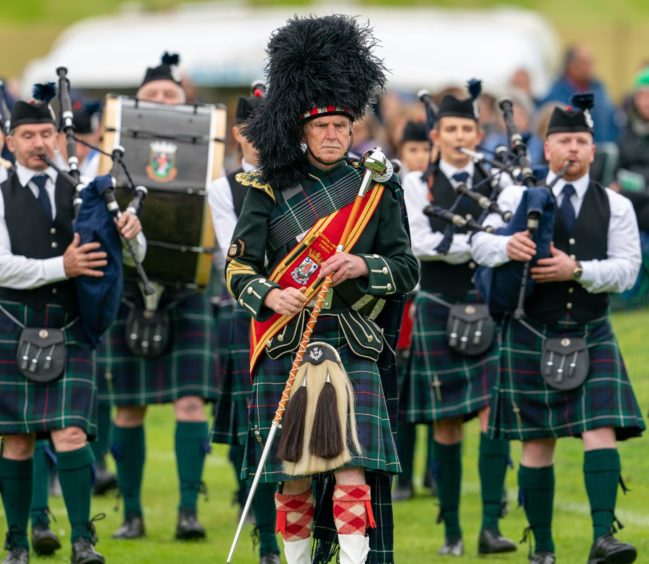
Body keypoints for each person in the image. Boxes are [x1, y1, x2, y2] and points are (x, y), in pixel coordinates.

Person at [226, 15, 419, 564]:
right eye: (321, 127)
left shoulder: (373, 188)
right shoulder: (264, 187)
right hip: (286, 339)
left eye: (341, 125)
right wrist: (269, 295)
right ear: (302, 130)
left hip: (353, 339)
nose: (332, 135)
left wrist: (362, 264)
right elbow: (236, 269)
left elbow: (407, 268)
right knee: (293, 475)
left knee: (351, 466)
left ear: (354, 128)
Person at [471, 96, 645, 564]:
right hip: (530, 330)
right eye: (564, 140)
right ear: (546, 148)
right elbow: (477, 241)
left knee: (600, 429)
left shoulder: (616, 205)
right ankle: (542, 548)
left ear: (593, 151)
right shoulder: (513, 196)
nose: (573, 149)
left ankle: (602, 537)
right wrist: (509, 245)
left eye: (581, 141)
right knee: (536, 440)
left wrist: (578, 270)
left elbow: (628, 269)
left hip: (590, 328)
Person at [0, 90, 143, 564]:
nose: (38, 142)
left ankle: (84, 540)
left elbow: (130, 259)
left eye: (46, 133)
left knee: (72, 434)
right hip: (13, 323)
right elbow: (1, 267)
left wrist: (132, 236)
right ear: (10, 140)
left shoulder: (86, 191)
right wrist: (62, 266)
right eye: (27, 135)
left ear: (60, 138)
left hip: (72, 325)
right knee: (18, 437)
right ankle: (17, 542)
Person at [96, 52, 219, 541]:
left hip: (186, 287)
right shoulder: (106, 152)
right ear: (136, 104)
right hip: (128, 289)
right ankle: (130, 514)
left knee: (192, 404)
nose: (163, 102)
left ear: (186, 101)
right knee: (128, 408)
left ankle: (189, 511)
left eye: (171, 95)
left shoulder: (208, 155)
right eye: (153, 97)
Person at [401, 81, 515, 557]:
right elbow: (420, 243)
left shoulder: (501, 181)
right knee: (447, 424)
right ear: (437, 134)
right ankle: (451, 531)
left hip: (489, 306)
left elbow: (507, 234)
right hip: (437, 306)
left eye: (467, 126)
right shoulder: (415, 182)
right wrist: (481, 243)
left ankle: (491, 526)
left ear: (478, 130)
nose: (460, 135)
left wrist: (478, 242)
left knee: (494, 419)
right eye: (451, 128)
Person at [207, 87, 281, 564]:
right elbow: (232, 253)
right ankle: (268, 541)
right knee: (254, 429)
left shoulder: (301, 179)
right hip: (252, 311)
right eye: (256, 130)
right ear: (238, 134)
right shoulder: (223, 187)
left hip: (307, 309)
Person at [542, 45, 620, 143]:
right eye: (584, 62)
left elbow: (612, 122)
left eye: (591, 62)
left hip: (600, 152)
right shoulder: (556, 95)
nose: (590, 67)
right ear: (570, 65)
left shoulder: (600, 90)